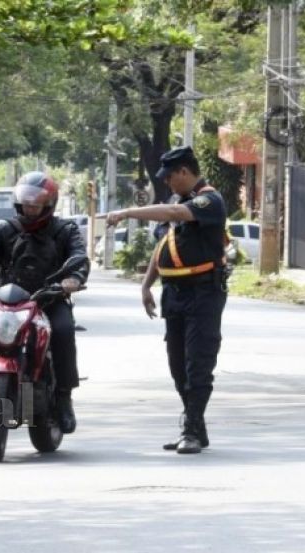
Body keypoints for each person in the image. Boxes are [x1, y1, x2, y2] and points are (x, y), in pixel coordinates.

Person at [106, 145, 227, 455]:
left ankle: (190, 429)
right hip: (173, 293)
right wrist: (147, 285)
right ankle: (196, 427)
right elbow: (163, 245)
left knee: (197, 364)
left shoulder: (209, 201)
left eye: (171, 177)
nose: (169, 183)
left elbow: (174, 214)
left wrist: (127, 212)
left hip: (203, 292)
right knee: (177, 367)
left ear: (185, 172)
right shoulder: (179, 201)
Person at [0, 172, 88, 433]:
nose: (30, 209)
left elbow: (79, 257)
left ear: (48, 205)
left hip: (49, 298)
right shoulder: (5, 229)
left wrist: (74, 277)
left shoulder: (64, 230)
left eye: (36, 205)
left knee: (63, 331)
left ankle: (63, 397)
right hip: (9, 300)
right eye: (26, 204)